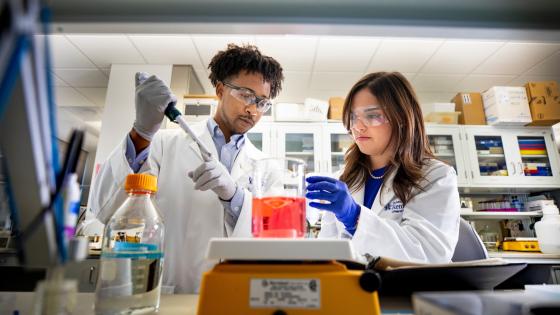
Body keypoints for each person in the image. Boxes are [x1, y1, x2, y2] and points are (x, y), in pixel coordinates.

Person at [89, 44, 284, 293]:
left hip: (240, 295)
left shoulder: (267, 167)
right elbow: (105, 208)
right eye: (246, 95)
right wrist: (141, 134)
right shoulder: (161, 145)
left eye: (262, 102)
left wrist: (235, 197)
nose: (253, 109)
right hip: (175, 293)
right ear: (221, 90)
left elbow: (276, 237)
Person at [306, 72, 460, 264]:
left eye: (373, 116)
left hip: (404, 291)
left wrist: (355, 217)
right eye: (353, 117)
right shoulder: (344, 180)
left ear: (402, 118)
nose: (358, 127)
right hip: (350, 288)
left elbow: (428, 252)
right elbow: (328, 251)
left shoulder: (435, 176)